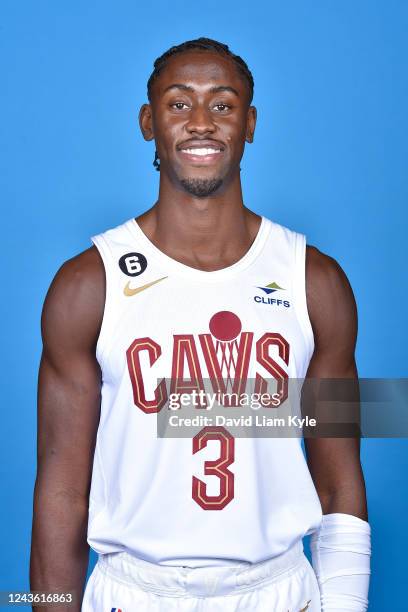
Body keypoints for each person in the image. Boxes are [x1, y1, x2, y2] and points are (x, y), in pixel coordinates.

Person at [30, 38, 371, 611]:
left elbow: (341, 480)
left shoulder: (316, 281)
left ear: (250, 123)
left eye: (223, 103)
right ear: (148, 122)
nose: (202, 124)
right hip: (135, 592)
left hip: (278, 591)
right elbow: (62, 490)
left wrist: (347, 604)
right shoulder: (88, 283)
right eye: (179, 103)